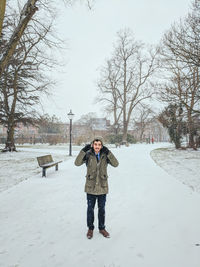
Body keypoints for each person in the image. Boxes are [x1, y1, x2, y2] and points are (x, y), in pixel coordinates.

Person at [74, 137, 119, 239]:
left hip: (102, 187)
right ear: (92, 145)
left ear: (101, 146)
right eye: (95, 144)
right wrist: (83, 151)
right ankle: (90, 228)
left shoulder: (105, 155)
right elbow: (77, 163)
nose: (97, 147)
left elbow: (116, 164)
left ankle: (102, 228)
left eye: (99, 145)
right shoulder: (88, 155)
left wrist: (108, 153)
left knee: (101, 209)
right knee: (90, 209)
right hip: (91, 187)